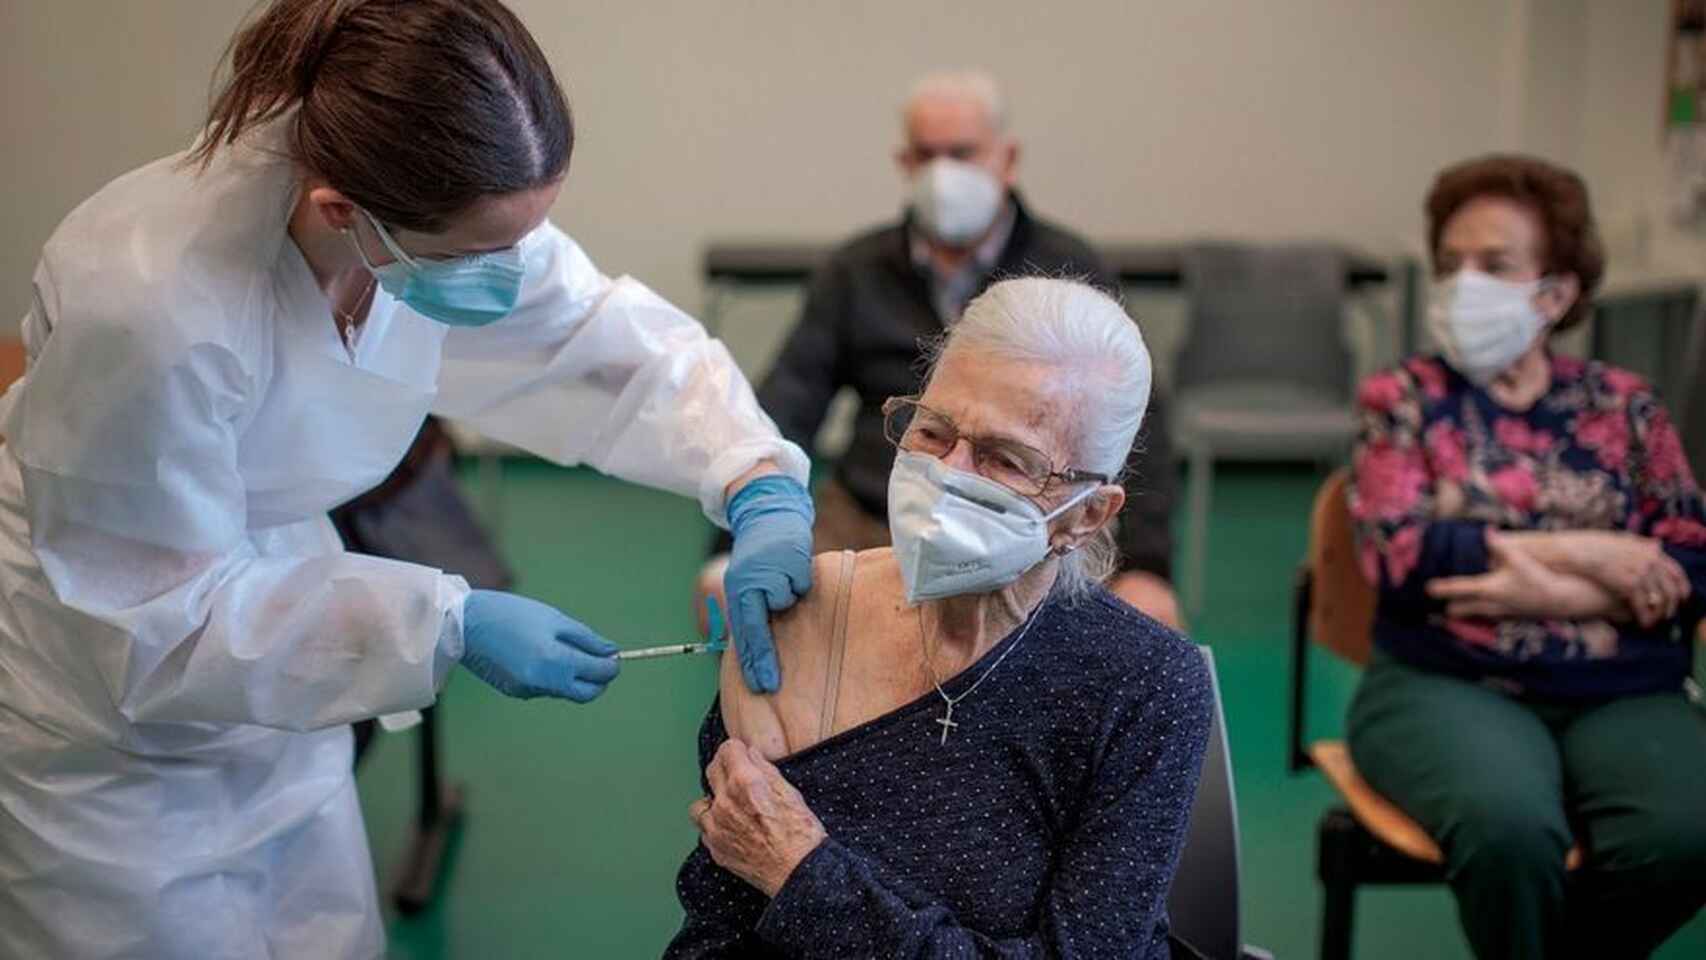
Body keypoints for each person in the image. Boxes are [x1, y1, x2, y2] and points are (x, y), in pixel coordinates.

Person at [0, 1, 814, 956]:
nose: (512, 276)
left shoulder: (424, 215)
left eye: (525, 237)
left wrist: (754, 478)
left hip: (280, 652)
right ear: (341, 210)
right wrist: (443, 622)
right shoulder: (147, 305)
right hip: (106, 715)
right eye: (480, 255)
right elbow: (161, 624)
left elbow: (600, 343)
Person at [666, 279, 1212, 958]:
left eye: (1004, 459)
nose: (948, 474)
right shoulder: (800, 627)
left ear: (1087, 514)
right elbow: (715, 934)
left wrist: (803, 876)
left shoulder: (1146, 683)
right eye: (932, 430)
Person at [1348, 154, 1706, 960]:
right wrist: (1600, 554)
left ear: (1556, 292)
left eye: (1494, 265)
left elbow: (1692, 563)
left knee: (1686, 833)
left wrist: (1550, 589)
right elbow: (1404, 558)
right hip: (1448, 681)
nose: (1461, 285)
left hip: (1625, 687)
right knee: (1509, 830)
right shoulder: (1403, 399)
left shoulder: (1627, 406)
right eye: (1450, 265)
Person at [696, 70, 1181, 632]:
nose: (943, 173)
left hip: (1027, 527)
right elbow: (788, 400)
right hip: (877, 511)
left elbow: (1140, 421)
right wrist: (735, 542)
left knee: (1113, 641)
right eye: (926, 154)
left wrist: (1148, 566)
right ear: (904, 163)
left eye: (962, 152)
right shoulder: (856, 271)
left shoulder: (1069, 270)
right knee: (771, 609)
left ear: (1008, 158)